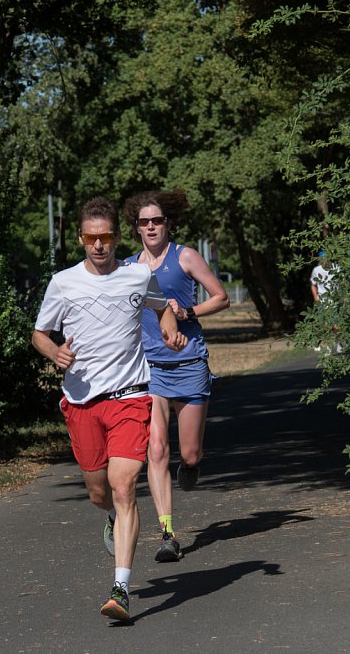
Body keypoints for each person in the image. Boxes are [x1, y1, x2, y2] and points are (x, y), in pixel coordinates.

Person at [32, 196, 187, 622]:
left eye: (106, 237)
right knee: (100, 492)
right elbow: (39, 334)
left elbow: (163, 311)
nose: (99, 245)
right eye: (90, 237)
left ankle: (121, 587)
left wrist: (171, 334)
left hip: (130, 395)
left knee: (123, 487)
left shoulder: (138, 275)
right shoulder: (63, 282)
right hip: (82, 401)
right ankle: (111, 519)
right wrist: (54, 354)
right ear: (81, 239)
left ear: (118, 237)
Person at [122, 190, 230, 563]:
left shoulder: (185, 256)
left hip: (188, 363)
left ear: (168, 224)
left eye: (157, 220)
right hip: (149, 369)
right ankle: (167, 532)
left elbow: (221, 297)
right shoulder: (128, 268)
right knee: (155, 450)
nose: (151, 227)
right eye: (143, 222)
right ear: (135, 228)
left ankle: (191, 466)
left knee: (189, 452)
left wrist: (187, 311)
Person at [310, 250, 339, 352]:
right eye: (322, 259)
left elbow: (342, 282)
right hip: (323, 299)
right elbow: (313, 285)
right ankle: (327, 348)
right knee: (325, 325)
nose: (324, 261)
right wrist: (315, 296)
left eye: (326, 258)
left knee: (336, 326)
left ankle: (337, 342)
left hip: (335, 299)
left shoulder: (336, 267)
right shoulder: (316, 270)